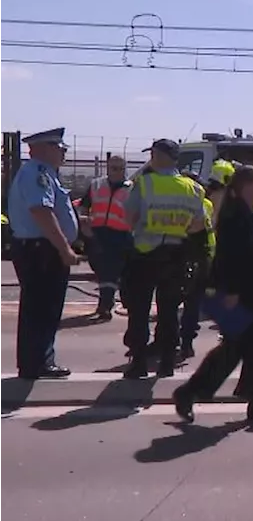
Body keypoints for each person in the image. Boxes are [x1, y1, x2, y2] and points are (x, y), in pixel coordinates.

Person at [173, 165, 253, 422]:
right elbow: (229, 256)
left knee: (248, 347)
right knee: (239, 348)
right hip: (241, 294)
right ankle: (191, 392)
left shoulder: (250, 214)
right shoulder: (235, 216)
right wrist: (232, 290)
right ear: (247, 185)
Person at [121, 139, 209, 379]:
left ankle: (138, 363)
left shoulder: (145, 183)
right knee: (169, 311)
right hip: (176, 253)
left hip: (145, 253)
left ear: (160, 155)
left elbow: (129, 217)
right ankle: (167, 363)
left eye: (152, 153)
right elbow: (199, 223)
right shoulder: (193, 188)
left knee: (139, 311)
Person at [6, 128, 78, 380]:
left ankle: (36, 361)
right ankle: (38, 362)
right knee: (43, 308)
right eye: (60, 148)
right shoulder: (38, 173)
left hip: (38, 248)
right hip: (42, 250)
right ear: (44, 148)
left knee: (41, 307)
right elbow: (41, 212)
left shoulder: (43, 173)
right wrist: (64, 248)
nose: (64, 152)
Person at [81, 154, 133, 320]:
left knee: (109, 272)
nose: (118, 172)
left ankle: (105, 305)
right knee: (101, 269)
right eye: (114, 168)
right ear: (107, 168)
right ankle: (113, 302)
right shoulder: (96, 185)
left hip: (120, 235)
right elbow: (84, 206)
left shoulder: (132, 188)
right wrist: (85, 224)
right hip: (97, 234)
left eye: (121, 168)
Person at [178, 172, 216, 360]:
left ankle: (180, 342)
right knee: (191, 304)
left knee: (176, 303)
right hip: (202, 257)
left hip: (185, 256)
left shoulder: (183, 205)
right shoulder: (206, 204)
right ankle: (186, 343)